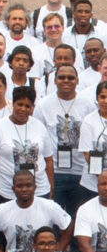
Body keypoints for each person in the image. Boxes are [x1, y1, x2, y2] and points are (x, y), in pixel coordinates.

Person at [34, 63, 93, 220]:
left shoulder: (87, 104)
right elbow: (37, 135)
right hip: (54, 172)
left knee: (78, 217)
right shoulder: (43, 105)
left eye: (70, 77)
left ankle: (75, 246)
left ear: (77, 81)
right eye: (61, 77)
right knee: (54, 217)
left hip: (80, 171)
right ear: (54, 81)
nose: (66, 80)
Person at [0, 86, 54, 212]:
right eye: (19, 104)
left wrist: (51, 187)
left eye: (28, 106)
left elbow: (48, 160)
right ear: (13, 104)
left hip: (39, 190)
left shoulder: (39, 126)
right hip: (7, 192)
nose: (23, 109)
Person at [74, 171, 107, 252]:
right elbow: (83, 245)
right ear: (97, 186)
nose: (106, 188)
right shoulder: (85, 209)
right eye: (103, 184)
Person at [78, 81, 107, 197]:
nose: (105, 101)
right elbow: (86, 153)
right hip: (91, 184)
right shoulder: (89, 120)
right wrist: (102, 177)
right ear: (97, 98)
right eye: (102, 97)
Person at [62, 0, 107, 67]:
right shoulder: (64, 34)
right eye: (80, 11)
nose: (83, 14)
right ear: (74, 14)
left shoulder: (101, 34)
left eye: (87, 12)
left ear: (91, 15)